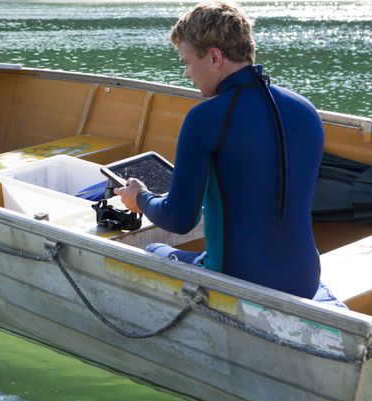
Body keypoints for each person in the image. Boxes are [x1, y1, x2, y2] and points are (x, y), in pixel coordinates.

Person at [116, 1, 323, 299]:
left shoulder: (206, 118)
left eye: (186, 62)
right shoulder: (306, 111)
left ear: (214, 57)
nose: (186, 74)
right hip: (306, 281)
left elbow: (178, 219)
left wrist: (141, 198)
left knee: (152, 250)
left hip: (236, 284)